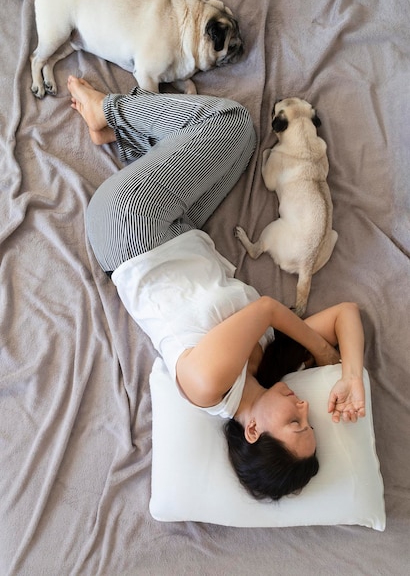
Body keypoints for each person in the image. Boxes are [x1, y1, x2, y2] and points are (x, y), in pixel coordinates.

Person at [67, 76, 366, 501]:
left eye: (295, 424)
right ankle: (126, 139)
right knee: (245, 148)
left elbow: (265, 309)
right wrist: (350, 377)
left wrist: (322, 353)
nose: (305, 407)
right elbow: (346, 313)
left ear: (254, 430)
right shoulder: (268, 369)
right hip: (183, 234)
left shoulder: (209, 388)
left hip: (130, 231)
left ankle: (109, 112)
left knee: (231, 123)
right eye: (311, 422)